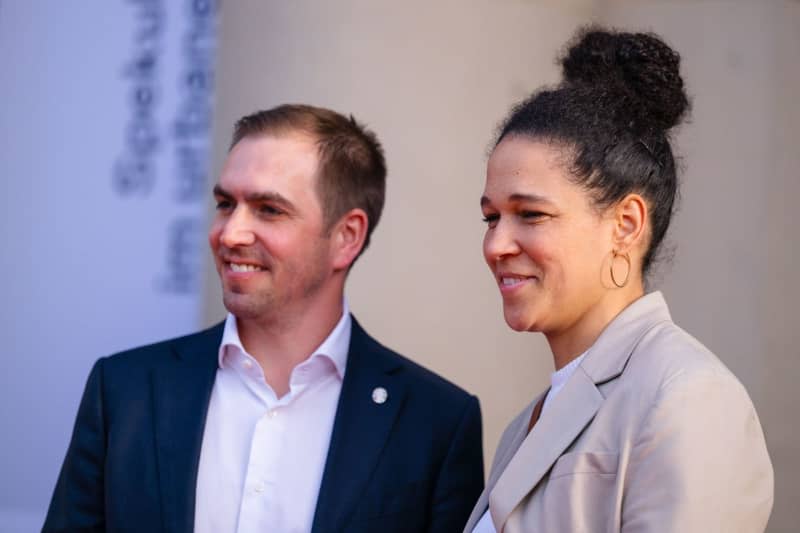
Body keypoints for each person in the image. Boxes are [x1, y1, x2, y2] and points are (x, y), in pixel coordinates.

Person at [44, 104, 484, 533]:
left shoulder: (434, 423)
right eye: (224, 203)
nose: (231, 233)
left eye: (269, 209)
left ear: (347, 236)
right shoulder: (126, 390)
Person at [464, 27, 773, 532]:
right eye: (490, 218)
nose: (497, 245)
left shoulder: (686, 398)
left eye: (531, 214)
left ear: (626, 224)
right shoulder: (526, 425)